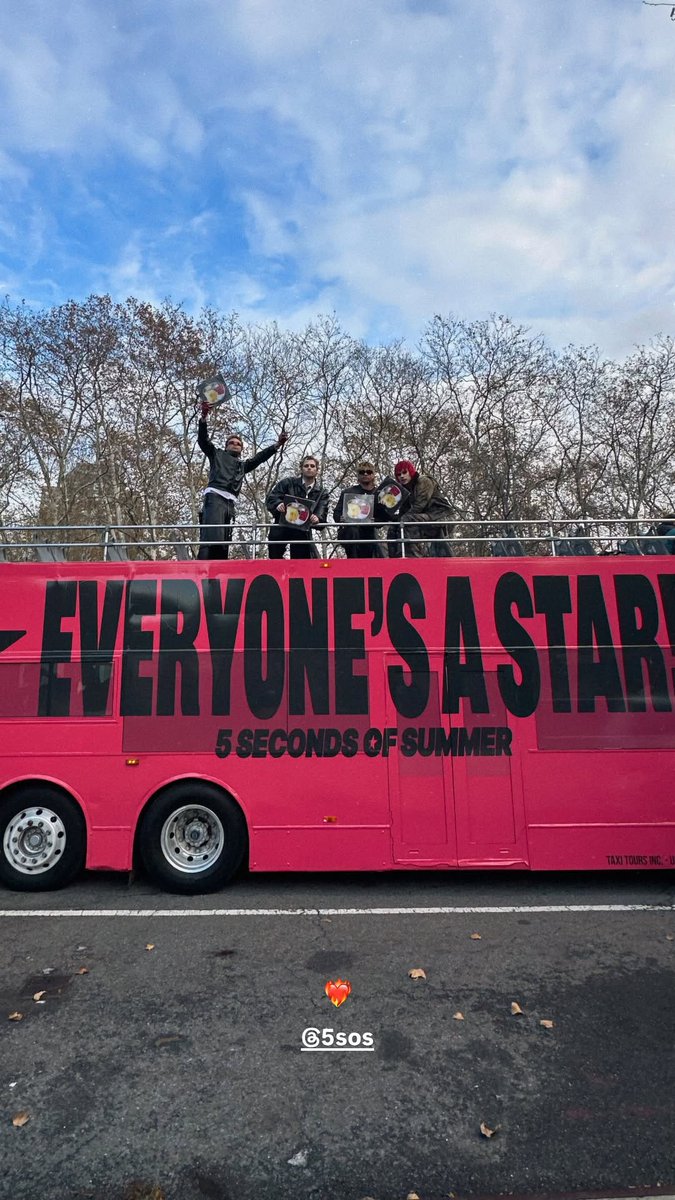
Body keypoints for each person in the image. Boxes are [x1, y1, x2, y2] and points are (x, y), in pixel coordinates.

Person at [197, 403, 288, 560]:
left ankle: (220, 570)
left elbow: (259, 458)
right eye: (232, 443)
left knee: (224, 541)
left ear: (241, 449)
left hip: (230, 503)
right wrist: (204, 418)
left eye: (238, 444)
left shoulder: (242, 465)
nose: (235, 445)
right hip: (215, 498)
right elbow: (203, 440)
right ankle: (202, 568)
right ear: (226, 446)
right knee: (212, 538)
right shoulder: (216, 454)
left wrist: (277, 444)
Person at [266, 455, 329, 559]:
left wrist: (317, 518)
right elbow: (272, 498)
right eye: (306, 466)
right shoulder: (287, 483)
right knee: (275, 550)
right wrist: (278, 504)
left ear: (317, 470)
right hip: (282, 525)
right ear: (301, 469)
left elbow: (322, 510)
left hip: (302, 530)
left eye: (312, 466)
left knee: (301, 558)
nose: (309, 468)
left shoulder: (322, 492)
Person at [393, 459, 454, 557]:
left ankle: (412, 557)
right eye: (398, 474)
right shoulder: (405, 491)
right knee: (394, 527)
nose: (402, 476)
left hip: (441, 516)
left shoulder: (423, 481)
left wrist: (402, 519)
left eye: (404, 472)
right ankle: (394, 559)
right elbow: (402, 512)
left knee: (406, 520)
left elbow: (419, 505)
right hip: (426, 518)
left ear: (411, 471)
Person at [332, 462, 388, 559]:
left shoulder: (379, 494)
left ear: (373, 475)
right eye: (362, 472)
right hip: (350, 532)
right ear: (358, 475)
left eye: (368, 472)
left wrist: (375, 520)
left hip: (370, 532)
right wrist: (341, 519)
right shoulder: (348, 492)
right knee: (352, 531)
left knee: (379, 546)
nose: (365, 474)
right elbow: (336, 513)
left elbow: (383, 519)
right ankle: (353, 562)